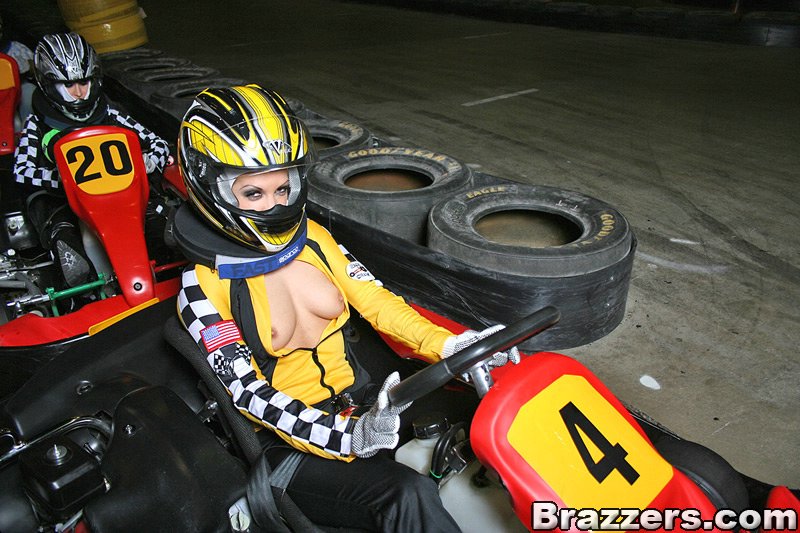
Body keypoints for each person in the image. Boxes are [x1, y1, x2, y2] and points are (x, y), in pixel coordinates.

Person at [176, 84, 520, 532]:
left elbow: (376, 301)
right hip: (290, 445)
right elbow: (249, 394)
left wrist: (451, 344)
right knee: (404, 494)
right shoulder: (201, 285)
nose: (275, 205)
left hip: (366, 401)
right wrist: (345, 437)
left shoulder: (314, 240)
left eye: (283, 188)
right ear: (210, 187)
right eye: (253, 193)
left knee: (486, 432)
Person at [13, 32, 169, 288]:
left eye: (84, 82)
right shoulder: (38, 123)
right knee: (63, 234)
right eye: (68, 85)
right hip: (67, 201)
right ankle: (78, 289)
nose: (79, 93)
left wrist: (148, 161)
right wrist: (59, 177)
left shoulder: (111, 114)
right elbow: (21, 170)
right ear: (48, 84)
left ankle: (163, 269)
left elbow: (159, 143)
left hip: (124, 196)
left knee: (157, 222)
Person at [0, 13, 35, 126]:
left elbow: (34, 70)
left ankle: (28, 127)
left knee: (29, 91)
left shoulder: (16, 49)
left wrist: (27, 70)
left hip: (18, 89)